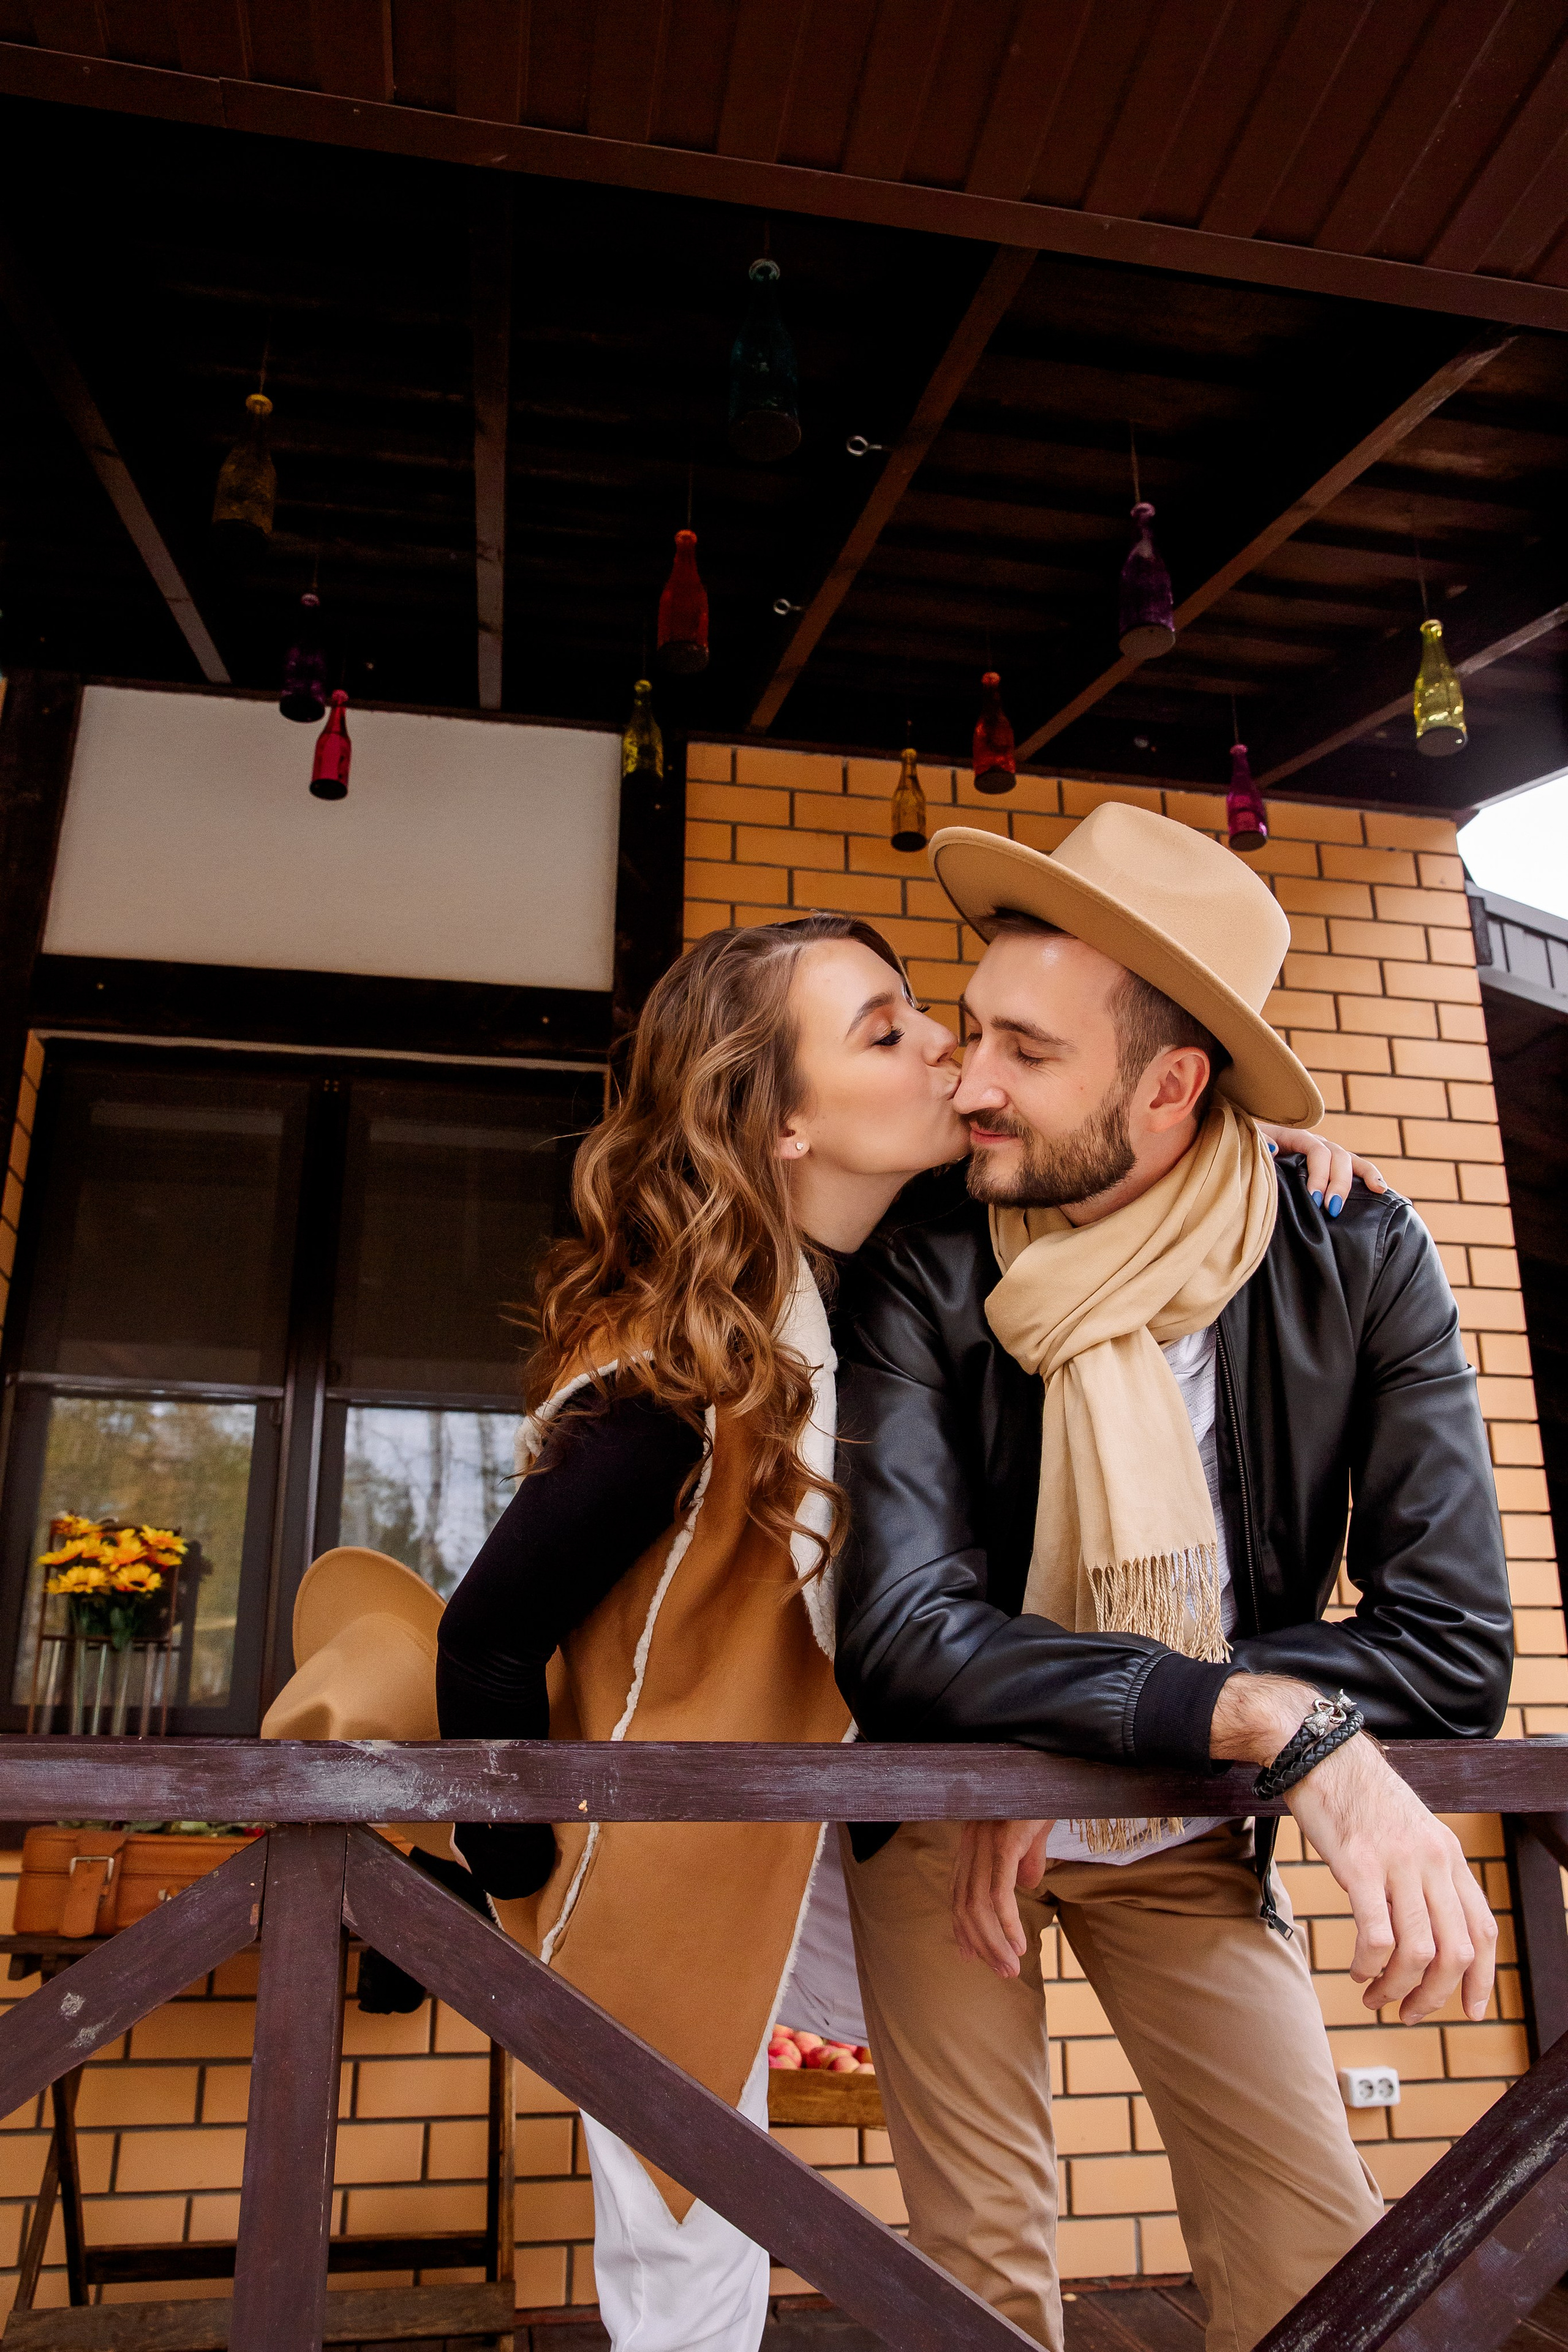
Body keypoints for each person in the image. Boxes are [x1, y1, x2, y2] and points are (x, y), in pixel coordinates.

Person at [431, 905, 1363, 2352]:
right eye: (885, 1030)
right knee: (691, 2266)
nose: (945, 1047)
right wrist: (528, 1888)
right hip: (653, 1868)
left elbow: (1094, 1195)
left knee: (741, 2239)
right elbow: (487, 1637)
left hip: (807, 1843)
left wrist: (1250, 1163)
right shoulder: (675, 1372)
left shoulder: (891, 1270)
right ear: (783, 1127)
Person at [831, 805, 1514, 2352]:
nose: (969, 1080)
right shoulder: (923, 1253)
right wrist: (1262, 1719)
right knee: (975, 2274)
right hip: (949, 1807)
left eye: (1026, 1050)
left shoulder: (1355, 1250)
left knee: (1316, 2254)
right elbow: (899, 1636)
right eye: (972, 1029)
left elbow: (1452, 1646)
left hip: (1183, 1813)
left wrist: (1111, 1721)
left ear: (1170, 1086)